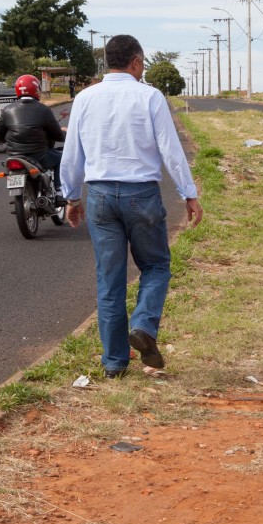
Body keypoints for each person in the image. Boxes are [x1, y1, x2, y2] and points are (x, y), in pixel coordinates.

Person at [60, 35, 204, 379]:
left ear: (107, 61)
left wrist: (71, 197)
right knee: (155, 266)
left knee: (109, 280)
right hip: (142, 195)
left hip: (99, 196)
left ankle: (114, 364)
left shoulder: (85, 98)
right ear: (136, 62)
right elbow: (171, 149)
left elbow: (72, 153)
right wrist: (189, 192)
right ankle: (143, 325)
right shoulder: (150, 97)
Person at [0, 75, 66, 193]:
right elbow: (57, 136)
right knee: (61, 158)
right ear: (36, 89)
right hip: (39, 156)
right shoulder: (43, 109)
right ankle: (59, 191)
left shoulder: (7, 110)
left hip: (15, 156)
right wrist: (63, 132)